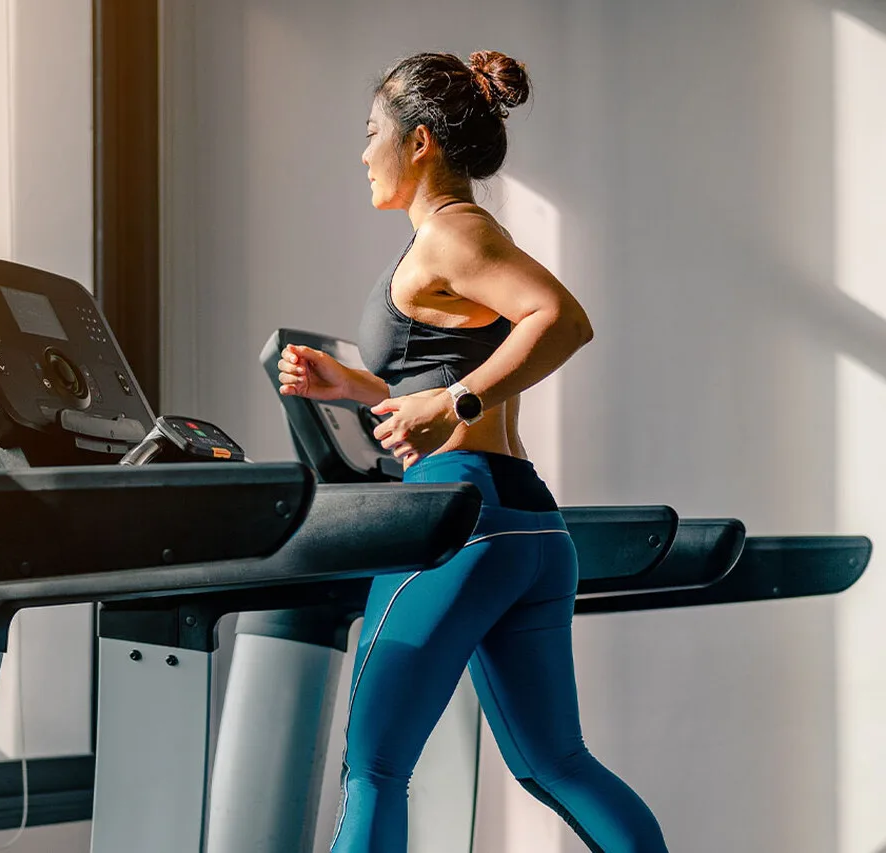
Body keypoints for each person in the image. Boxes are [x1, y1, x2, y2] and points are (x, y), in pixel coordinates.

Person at [276, 51, 669, 853]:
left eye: (370, 133)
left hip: (457, 520)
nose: (362, 153)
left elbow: (560, 318)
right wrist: (353, 384)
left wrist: (453, 402)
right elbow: (439, 370)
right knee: (556, 762)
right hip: (522, 520)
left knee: (374, 768)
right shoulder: (462, 239)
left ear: (419, 142)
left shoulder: (449, 238)